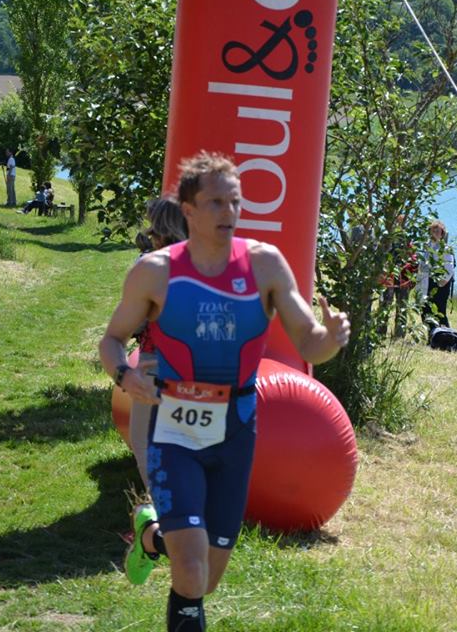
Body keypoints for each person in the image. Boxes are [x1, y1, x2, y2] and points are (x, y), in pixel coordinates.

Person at [99, 152, 350, 632]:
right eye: (215, 202)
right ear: (188, 210)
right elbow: (112, 340)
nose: (228, 212)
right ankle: (168, 549)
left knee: (207, 576)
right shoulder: (155, 271)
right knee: (191, 570)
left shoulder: (264, 265)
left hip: (235, 432)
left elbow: (308, 343)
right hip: (173, 429)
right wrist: (124, 376)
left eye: (234, 201)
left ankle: (151, 535)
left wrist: (331, 339)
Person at [128, 197, 189, 491]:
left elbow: (134, 321)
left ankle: (165, 513)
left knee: (145, 444)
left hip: (155, 364)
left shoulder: (153, 267)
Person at [419, 219, 455, 327]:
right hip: (427, 281)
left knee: (440, 313)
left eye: (437, 231)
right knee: (425, 310)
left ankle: (446, 334)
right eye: (433, 231)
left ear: (442, 234)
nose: (434, 233)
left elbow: (449, 269)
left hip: (440, 283)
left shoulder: (445, 248)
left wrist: (441, 283)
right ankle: (431, 334)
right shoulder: (427, 246)